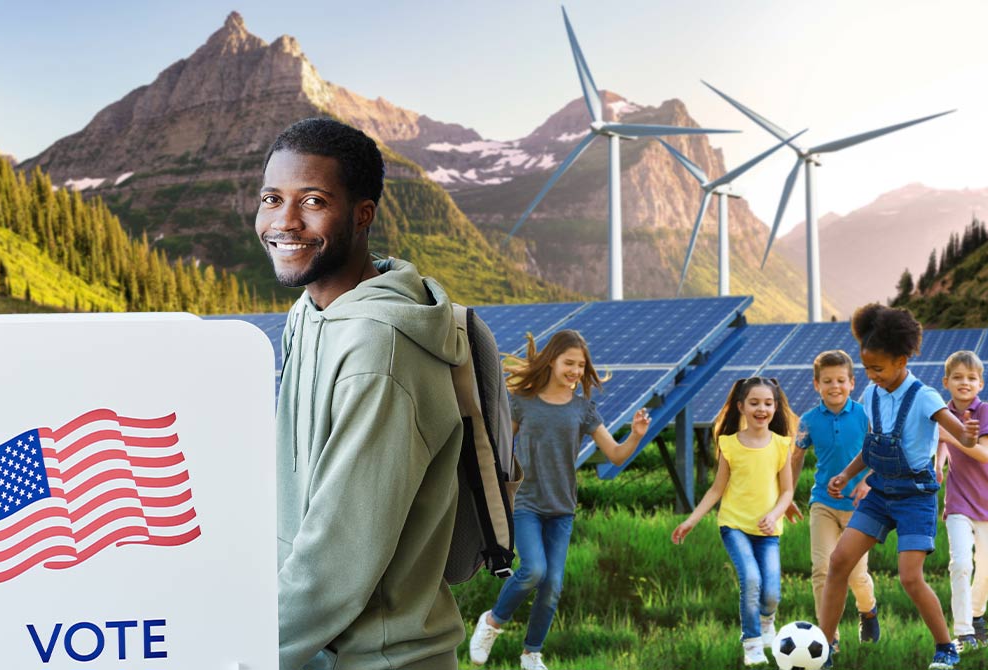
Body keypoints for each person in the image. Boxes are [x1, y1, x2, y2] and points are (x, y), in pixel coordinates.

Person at [259, 117, 468, 670]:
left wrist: (242, 653)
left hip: (382, 657)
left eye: (312, 201)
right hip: (314, 649)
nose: (284, 221)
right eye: (271, 198)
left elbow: (337, 558)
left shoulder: (381, 350)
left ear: (362, 214)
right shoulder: (308, 314)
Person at [468, 329, 651, 670]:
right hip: (526, 504)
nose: (576, 371)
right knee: (533, 570)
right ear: (551, 361)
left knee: (552, 584)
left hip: (562, 509)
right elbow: (498, 446)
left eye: (581, 366)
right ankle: (492, 622)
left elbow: (614, 454)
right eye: (570, 363)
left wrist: (636, 436)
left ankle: (531, 654)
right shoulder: (521, 402)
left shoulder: (583, 409)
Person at [818, 304, 981, 670]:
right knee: (840, 561)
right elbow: (872, 446)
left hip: (915, 498)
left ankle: (946, 647)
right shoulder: (872, 396)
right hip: (880, 494)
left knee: (910, 577)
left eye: (878, 368)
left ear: (902, 359)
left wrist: (969, 436)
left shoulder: (924, 396)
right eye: (867, 368)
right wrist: (847, 475)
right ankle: (824, 647)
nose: (871, 375)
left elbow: (960, 435)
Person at [672, 376, 796, 666]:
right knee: (751, 579)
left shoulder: (781, 445)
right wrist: (691, 520)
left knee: (772, 594)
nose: (761, 409)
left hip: (768, 531)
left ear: (776, 407)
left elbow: (788, 490)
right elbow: (717, 489)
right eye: (754, 403)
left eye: (768, 403)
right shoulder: (729, 444)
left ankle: (767, 622)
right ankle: (752, 643)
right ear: (741, 406)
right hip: (734, 526)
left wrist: (776, 513)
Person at [787, 350, 880, 652]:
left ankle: (868, 611)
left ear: (853, 383)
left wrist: (867, 482)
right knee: (822, 570)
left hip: (860, 507)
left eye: (841, 380)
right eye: (827, 381)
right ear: (816, 384)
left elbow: (879, 452)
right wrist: (787, 495)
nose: (834, 386)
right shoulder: (809, 421)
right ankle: (828, 638)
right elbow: (797, 456)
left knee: (856, 575)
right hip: (823, 504)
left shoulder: (866, 415)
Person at [935, 350, 988, 653]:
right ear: (946, 381)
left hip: (987, 503)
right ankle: (964, 632)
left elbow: (982, 453)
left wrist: (950, 436)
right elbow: (940, 441)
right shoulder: (943, 413)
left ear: (980, 383)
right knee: (961, 564)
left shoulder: (985, 412)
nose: (964, 382)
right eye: (957, 377)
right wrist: (938, 465)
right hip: (958, 502)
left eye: (970, 378)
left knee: (986, 568)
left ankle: (977, 614)